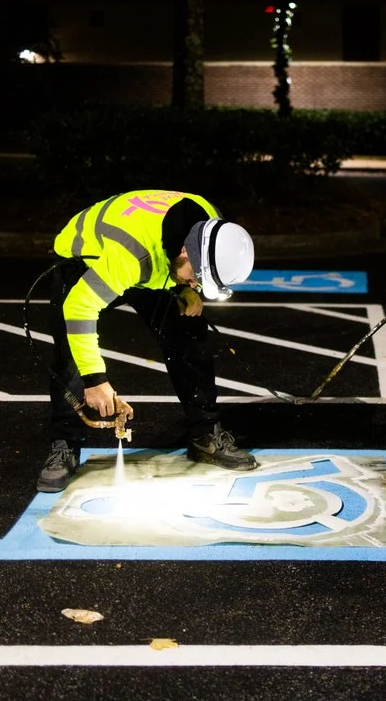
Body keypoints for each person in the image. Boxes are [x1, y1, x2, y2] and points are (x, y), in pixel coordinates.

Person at [36, 190, 258, 492]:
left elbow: (184, 270)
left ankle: (205, 433)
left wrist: (187, 290)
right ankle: (65, 444)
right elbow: (79, 306)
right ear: (184, 252)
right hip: (89, 259)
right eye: (196, 279)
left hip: (156, 261)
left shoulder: (211, 227)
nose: (196, 286)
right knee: (71, 351)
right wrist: (95, 380)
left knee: (189, 333)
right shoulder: (130, 255)